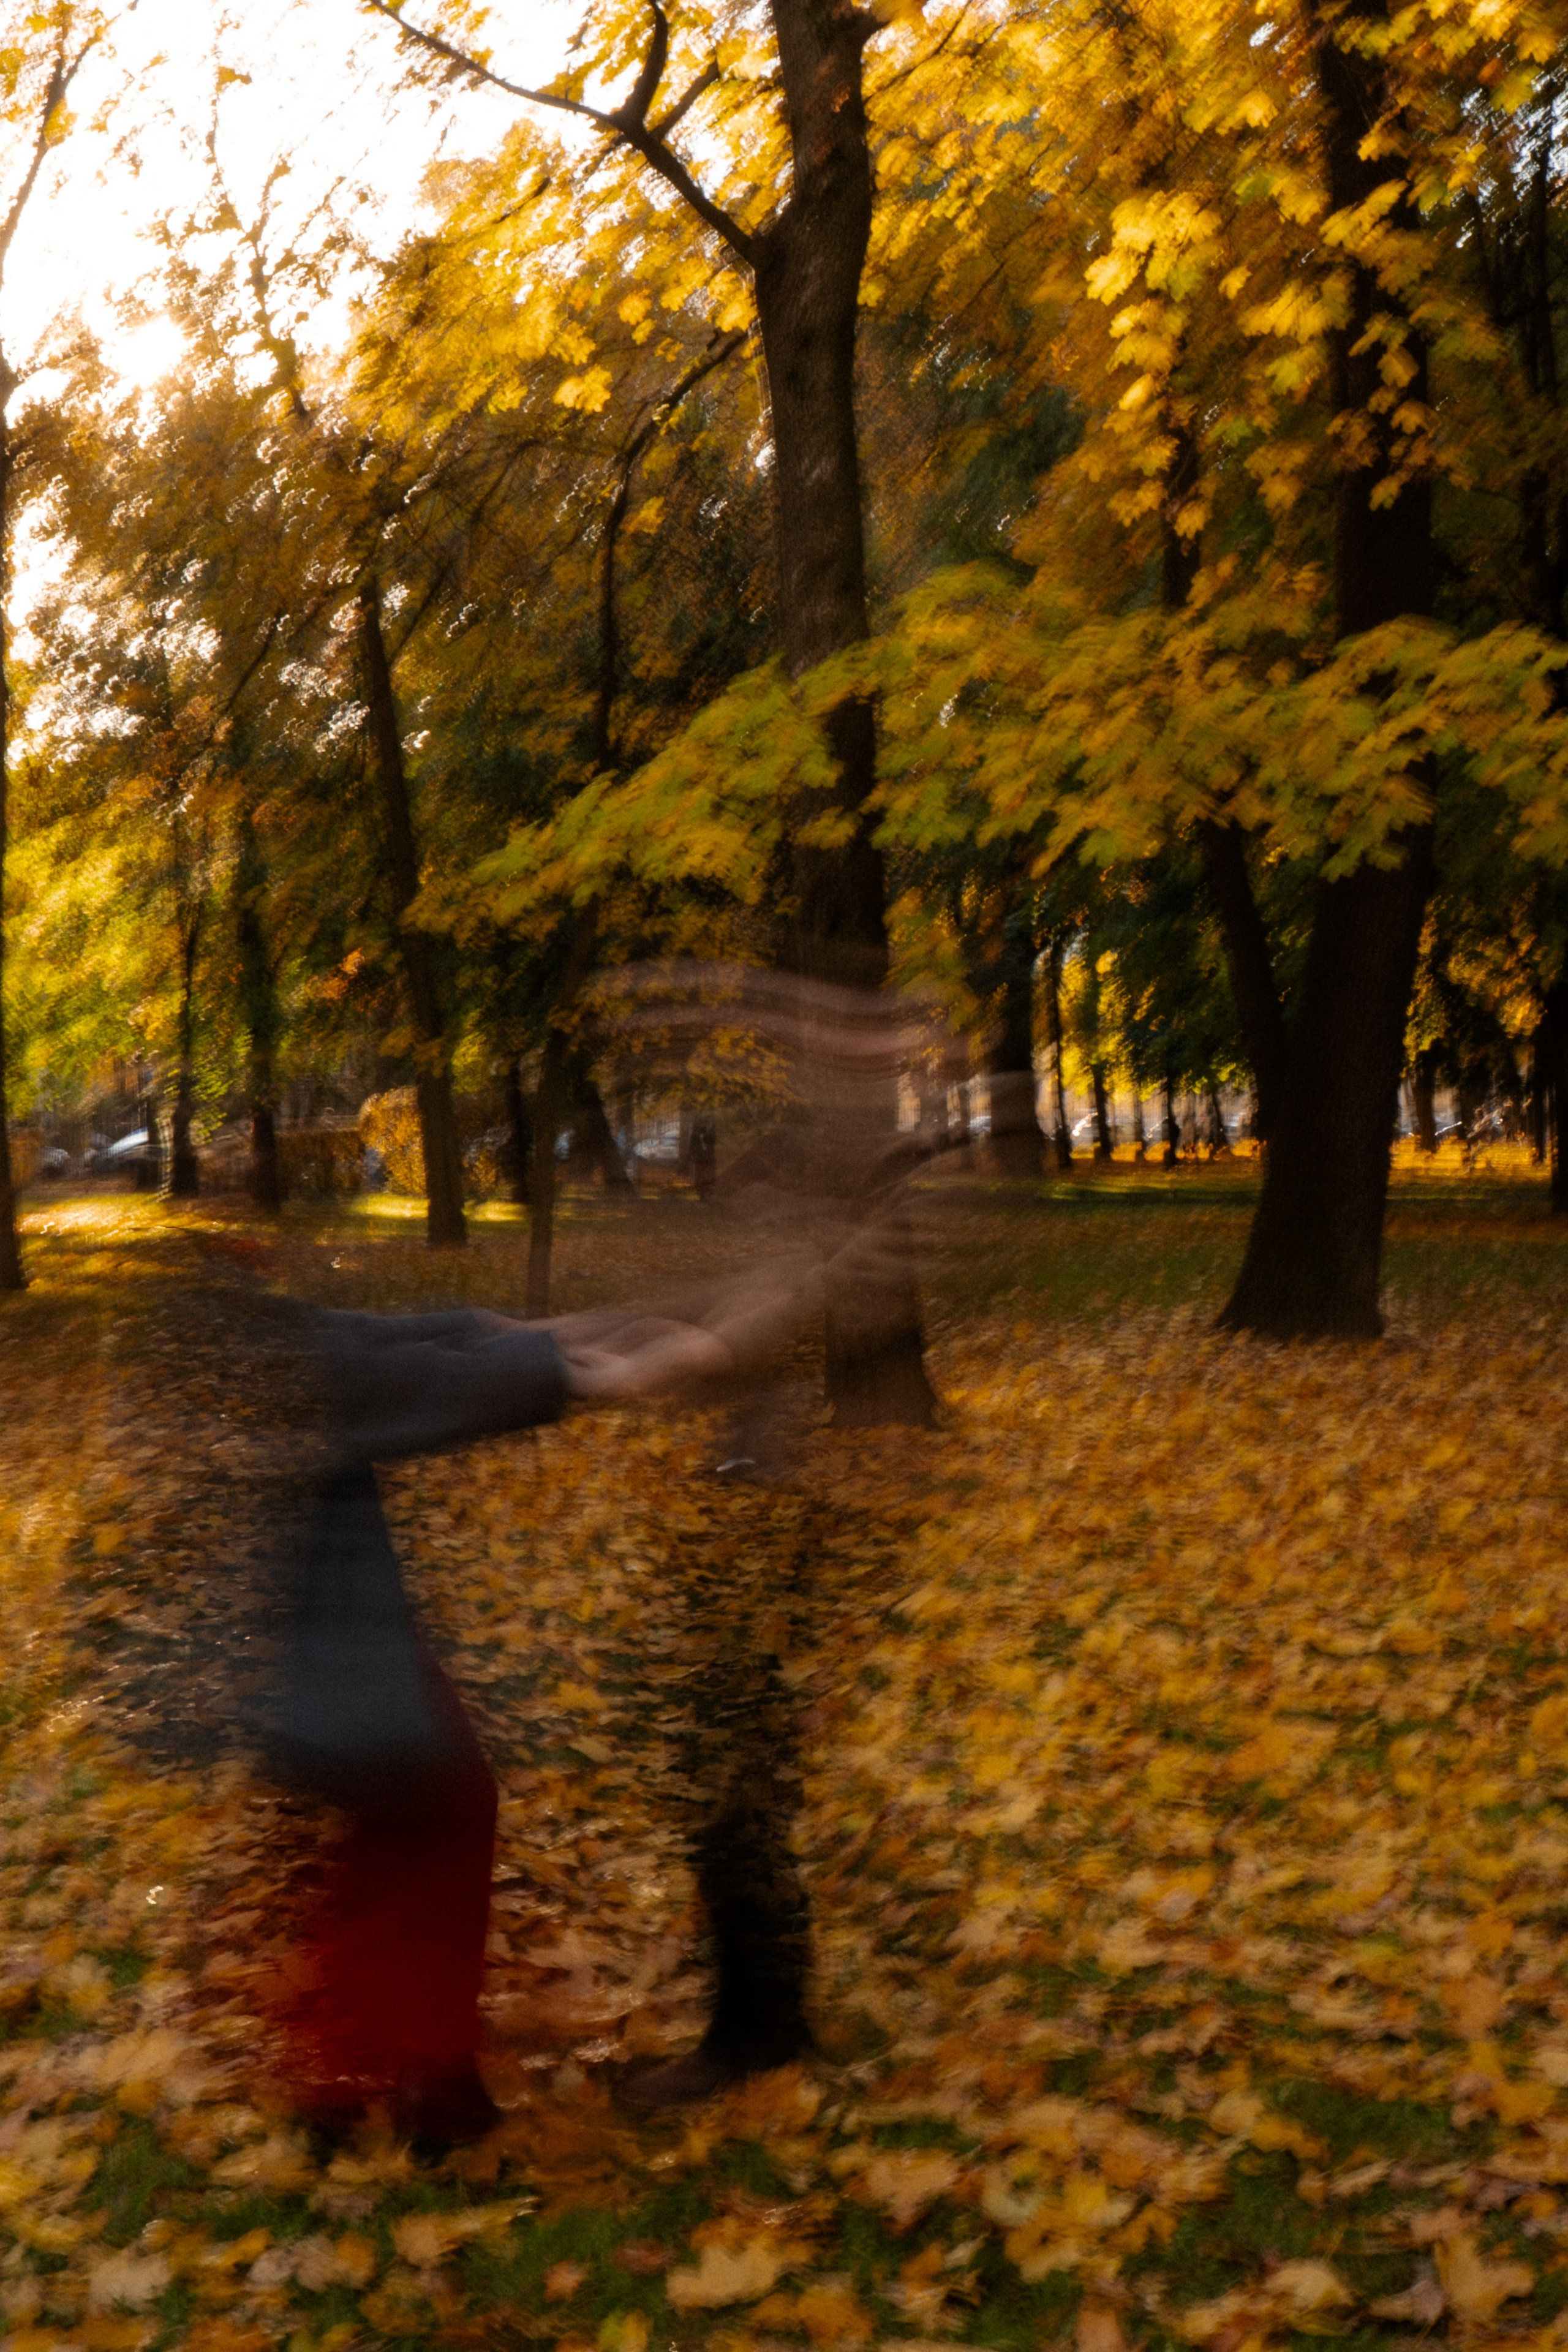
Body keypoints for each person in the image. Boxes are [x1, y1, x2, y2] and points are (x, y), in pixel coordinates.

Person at [265, 1256, 848, 2143]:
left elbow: (339, 1340)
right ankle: (389, 2080)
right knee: (430, 1797)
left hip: (309, 1590)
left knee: (421, 1804)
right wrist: (564, 1371)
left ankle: (369, 2072)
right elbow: (340, 1372)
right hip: (293, 1598)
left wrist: (508, 1335)